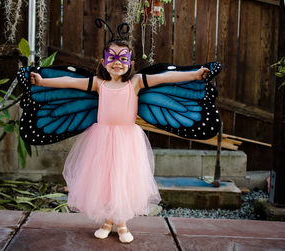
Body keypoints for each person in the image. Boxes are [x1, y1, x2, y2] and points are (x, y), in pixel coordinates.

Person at [30, 39, 209, 244]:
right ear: (103, 61)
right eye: (112, 57)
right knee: (105, 181)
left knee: (123, 181)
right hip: (101, 140)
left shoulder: (136, 82)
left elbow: (166, 77)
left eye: (123, 58)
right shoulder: (99, 83)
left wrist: (195, 74)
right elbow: (68, 81)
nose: (117, 62)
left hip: (127, 141)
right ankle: (107, 222)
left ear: (131, 62)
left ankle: (122, 223)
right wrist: (43, 81)